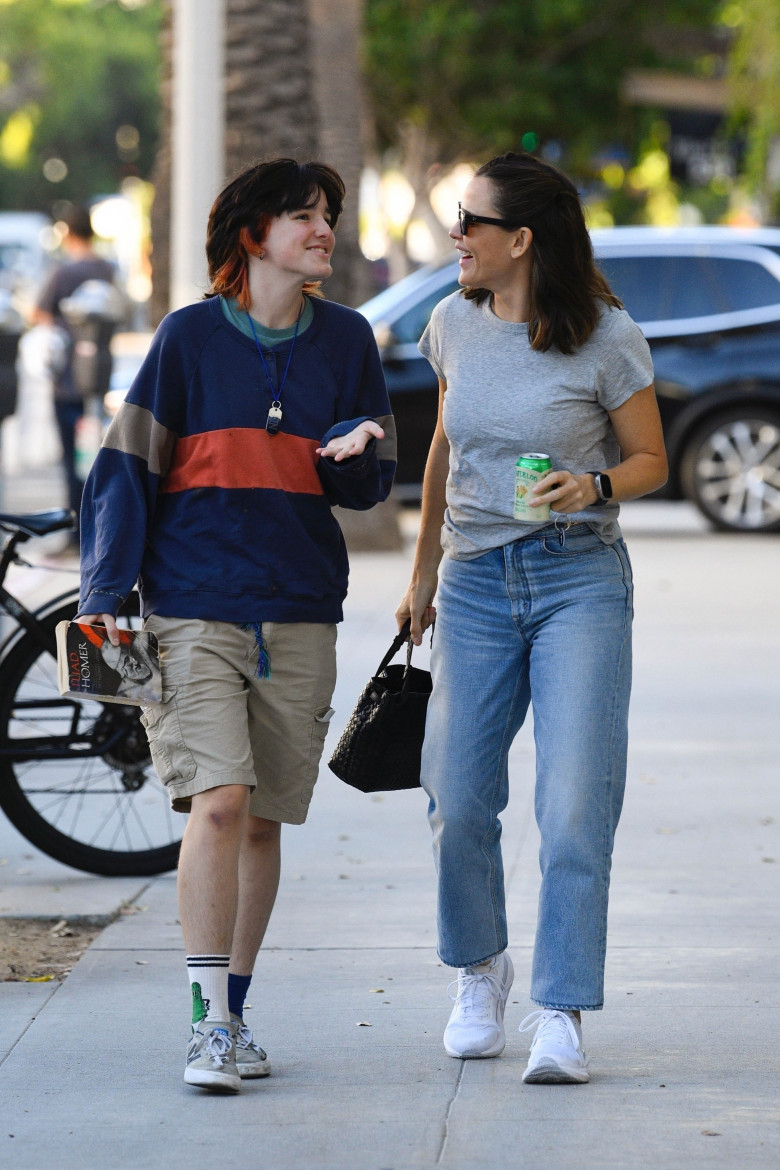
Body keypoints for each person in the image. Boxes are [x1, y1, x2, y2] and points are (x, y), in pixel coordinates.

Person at [76, 158, 396, 1092]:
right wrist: (105, 595)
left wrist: (355, 453)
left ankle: (237, 1010)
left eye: (328, 214)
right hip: (193, 606)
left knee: (261, 822)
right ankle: (206, 1023)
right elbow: (126, 469)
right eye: (303, 216)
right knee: (216, 802)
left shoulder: (347, 342)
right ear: (253, 236)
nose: (324, 230)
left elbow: (368, 486)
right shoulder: (186, 340)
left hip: (298, 608)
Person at [396, 152, 667, 1084]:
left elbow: (650, 462)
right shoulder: (451, 325)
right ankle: (481, 971)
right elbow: (441, 449)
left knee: (574, 805)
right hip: (472, 582)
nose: (454, 239)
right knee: (458, 797)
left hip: (578, 578)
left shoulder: (606, 337)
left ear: (521, 240)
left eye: (469, 224)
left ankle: (561, 1008)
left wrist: (591, 481)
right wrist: (422, 574)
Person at [32, 206, 118, 536]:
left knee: (72, 462)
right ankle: (94, 528)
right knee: (96, 458)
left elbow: (38, 311)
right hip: (97, 378)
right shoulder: (107, 270)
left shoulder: (63, 273)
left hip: (67, 379)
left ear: (69, 234)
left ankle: (75, 529)